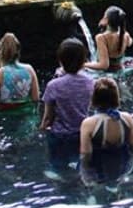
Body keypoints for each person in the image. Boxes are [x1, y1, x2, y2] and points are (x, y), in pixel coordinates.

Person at [40, 38, 94, 175]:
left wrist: (40, 132)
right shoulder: (90, 82)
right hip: (82, 133)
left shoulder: (53, 85)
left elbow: (47, 118)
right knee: (80, 166)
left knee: (58, 168)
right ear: (83, 61)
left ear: (60, 60)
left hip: (59, 136)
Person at [79, 77, 133, 186]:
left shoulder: (88, 123)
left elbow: (85, 153)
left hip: (98, 170)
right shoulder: (127, 118)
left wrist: (85, 176)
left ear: (94, 98)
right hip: (122, 167)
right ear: (116, 97)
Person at [0, 32, 40, 113]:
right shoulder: (29, 69)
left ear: (0, 52)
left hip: (6, 116)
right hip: (26, 115)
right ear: (18, 51)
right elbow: (36, 99)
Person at [85, 6, 133, 72]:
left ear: (106, 20)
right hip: (121, 70)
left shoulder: (101, 38)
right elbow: (130, 43)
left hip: (106, 74)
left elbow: (104, 65)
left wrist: (83, 64)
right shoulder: (125, 35)